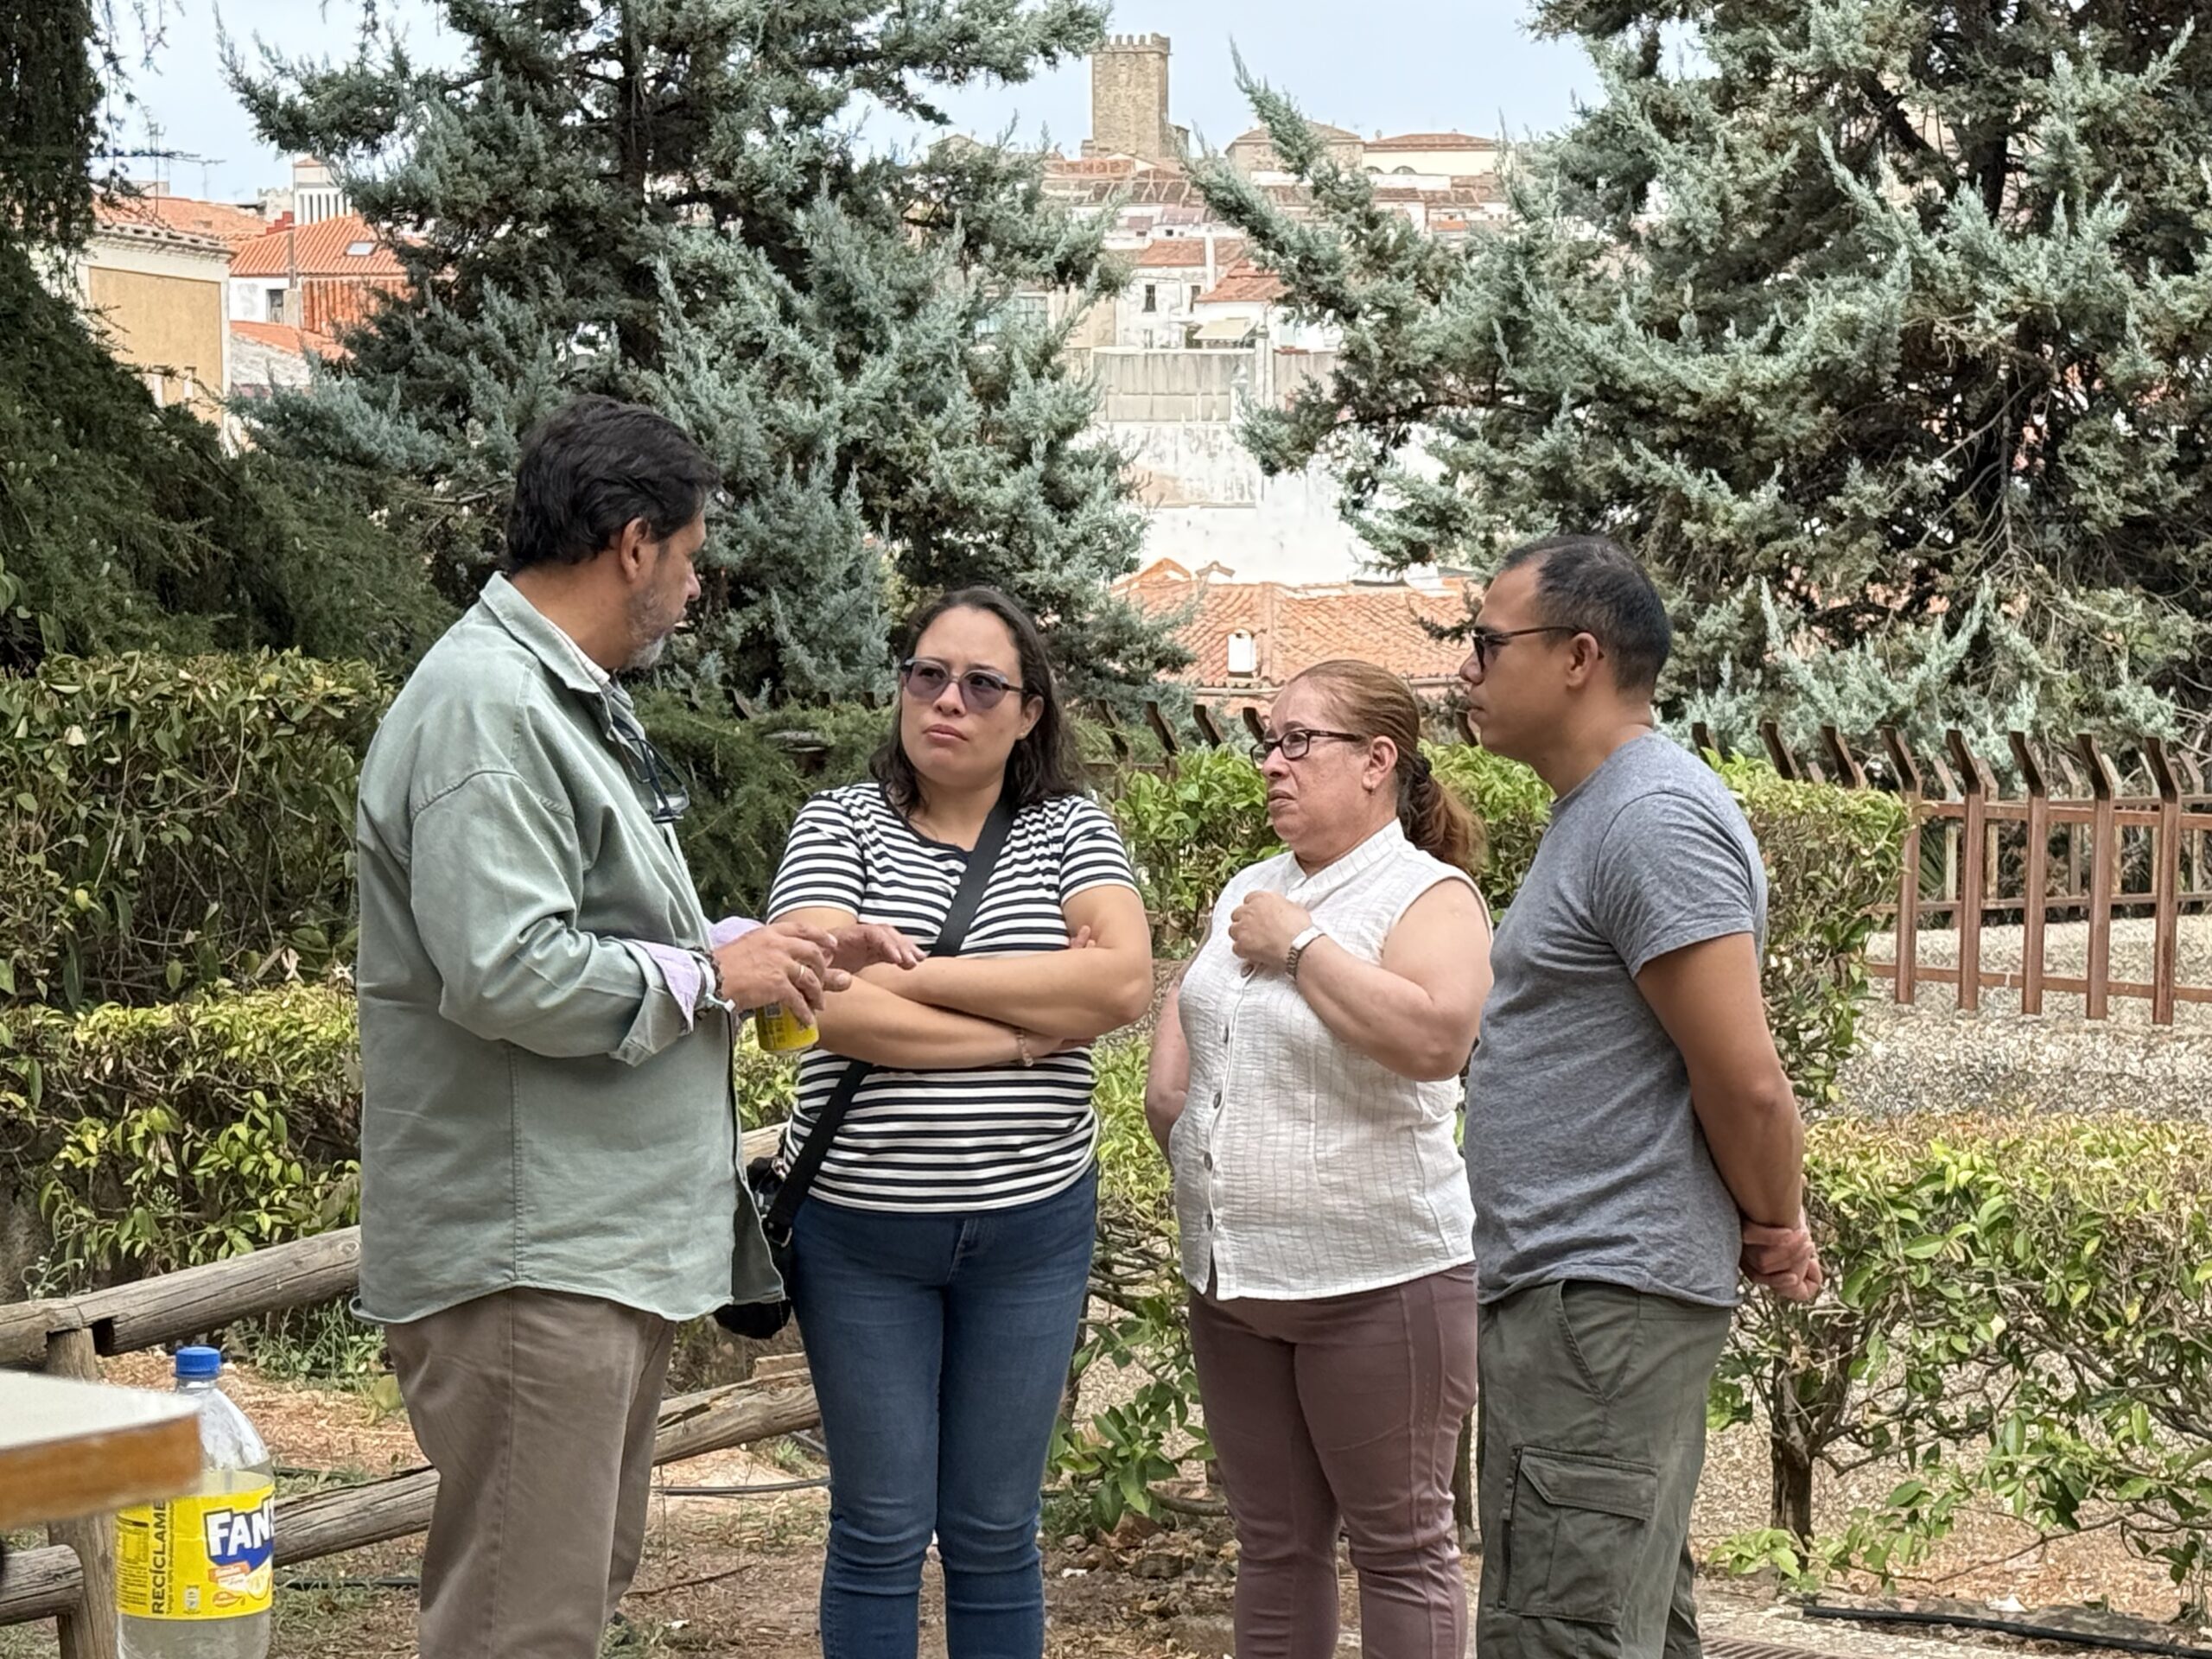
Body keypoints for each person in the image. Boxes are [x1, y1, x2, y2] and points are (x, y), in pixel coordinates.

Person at [353, 395, 915, 1659]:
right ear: (633, 543)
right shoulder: (491, 709)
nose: (696, 587)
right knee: (521, 1628)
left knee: (559, 1609)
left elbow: (587, 933)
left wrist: (760, 952)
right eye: (693, 555)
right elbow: (506, 973)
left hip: (578, 1247)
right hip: (530, 1253)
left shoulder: (548, 698)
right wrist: (716, 977)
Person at [764, 586, 1154, 1659]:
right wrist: (1027, 1032)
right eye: (928, 675)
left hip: (1032, 1232)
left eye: (983, 685)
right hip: (861, 1236)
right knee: (880, 1529)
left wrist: (916, 977)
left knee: (993, 1532)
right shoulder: (837, 822)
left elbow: (1121, 985)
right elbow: (825, 1005)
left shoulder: (1072, 828)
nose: (948, 701)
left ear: (1028, 713)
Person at [1457, 534, 1822, 1659]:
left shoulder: (1649, 818)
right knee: (1623, 1627)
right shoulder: (1601, 810)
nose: (1465, 668)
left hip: (1598, 1301)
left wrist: (1777, 1220)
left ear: (1578, 657)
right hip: (1578, 1299)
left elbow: (1744, 1081)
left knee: (1558, 1633)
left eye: (1485, 641)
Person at [1142, 659, 1493, 1659]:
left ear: (1378, 760)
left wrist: (1301, 948)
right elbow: (1194, 1012)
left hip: (1378, 1283)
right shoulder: (1251, 886)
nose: (1271, 763)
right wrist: (1177, 1111)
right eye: (1268, 740)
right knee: (1274, 1545)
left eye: (1298, 741)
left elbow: (1436, 1040)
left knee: (1401, 1550)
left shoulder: (1428, 896)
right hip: (1233, 1279)